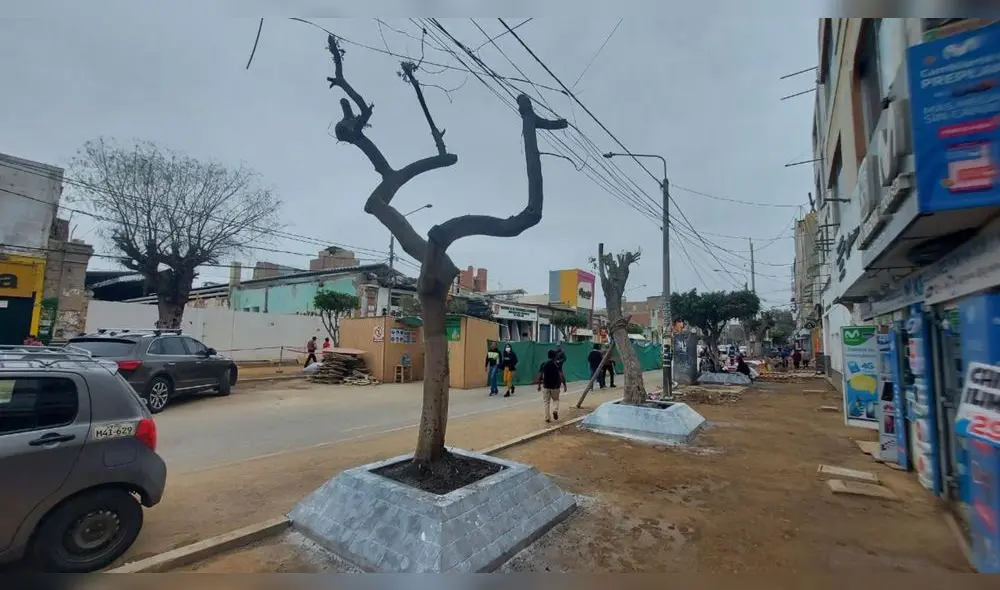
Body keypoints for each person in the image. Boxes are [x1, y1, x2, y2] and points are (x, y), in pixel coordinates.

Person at [536, 349, 567, 423]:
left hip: (546, 385)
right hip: (555, 386)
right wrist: (564, 385)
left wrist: (539, 384)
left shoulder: (543, 364)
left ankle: (547, 417)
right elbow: (561, 375)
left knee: (546, 402)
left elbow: (540, 375)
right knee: (556, 400)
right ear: (555, 356)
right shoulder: (557, 364)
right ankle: (555, 410)